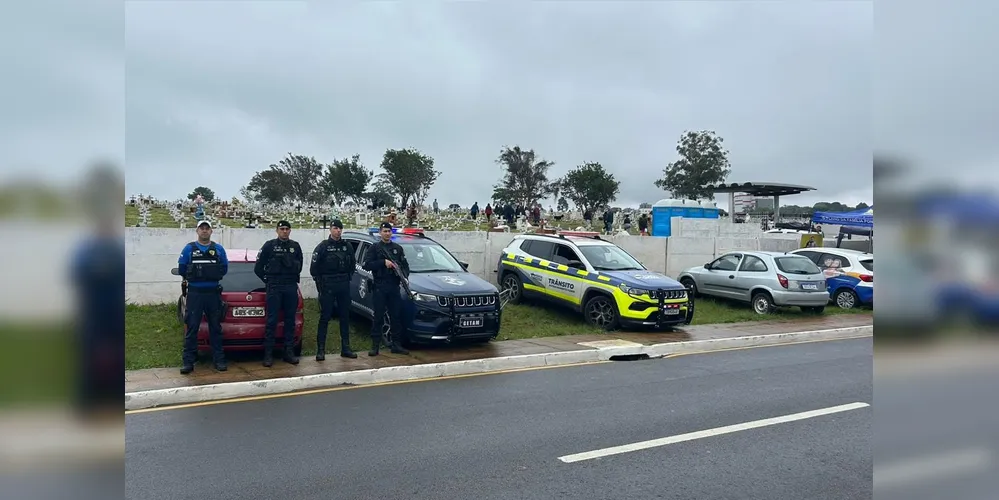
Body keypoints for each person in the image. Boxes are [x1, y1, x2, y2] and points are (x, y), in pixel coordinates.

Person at [177, 220, 229, 374]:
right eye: (202, 228)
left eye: (207, 228)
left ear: (211, 231)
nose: (204, 231)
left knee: (215, 328)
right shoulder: (189, 249)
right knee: (192, 328)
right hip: (195, 294)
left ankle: (219, 360)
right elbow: (182, 268)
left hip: (213, 294)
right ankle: (188, 362)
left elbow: (224, 268)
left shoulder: (218, 249)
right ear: (197, 231)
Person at [255, 220, 304, 366]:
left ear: (290, 231)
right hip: (274, 287)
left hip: (290, 286)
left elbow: (299, 266)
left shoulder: (295, 247)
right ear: (277, 230)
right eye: (282, 229)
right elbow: (258, 268)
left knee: (290, 321)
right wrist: (268, 281)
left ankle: (288, 353)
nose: (284, 231)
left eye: (287, 229)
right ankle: (268, 354)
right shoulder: (269, 246)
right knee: (272, 321)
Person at [362, 222, 411, 356]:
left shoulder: (397, 249)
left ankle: (396, 345)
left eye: (389, 231)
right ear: (380, 232)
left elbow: (405, 266)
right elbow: (366, 265)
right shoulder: (375, 248)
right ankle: (375, 346)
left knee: (395, 316)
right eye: (385, 231)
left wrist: (404, 276)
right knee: (378, 316)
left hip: (394, 286)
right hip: (380, 286)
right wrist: (383, 263)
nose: (387, 233)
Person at [311, 219, 357, 360]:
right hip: (328, 286)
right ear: (330, 229)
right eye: (335, 228)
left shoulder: (347, 246)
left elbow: (352, 265)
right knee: (325, 317)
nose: (338, 231)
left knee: (345, 317)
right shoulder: (323, 247)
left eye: (340, 228)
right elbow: (314, 269)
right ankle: (321, 350)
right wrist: (321, 285)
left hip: (343, 285)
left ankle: (346, 348)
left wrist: (346, 278)